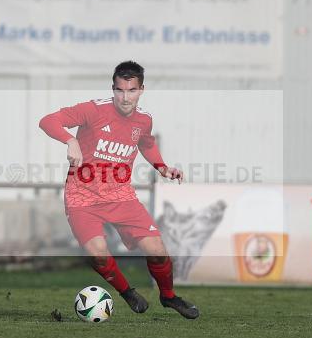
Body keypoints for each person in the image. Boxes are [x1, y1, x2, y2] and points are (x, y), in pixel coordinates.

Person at [38, 60, 199, 319]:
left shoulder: (144, 120)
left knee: (158, 250)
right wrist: (70, 140)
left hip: (121, 196)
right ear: (113, 89)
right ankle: (127, 293)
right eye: (119, 90)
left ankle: (169, 297)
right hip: (83, 197)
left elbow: (146, 144)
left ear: (141, 89)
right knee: (98, 254)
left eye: (131, 90)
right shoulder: (92, 110)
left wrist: (162, 167)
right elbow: (48, 121)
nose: (125, 97)